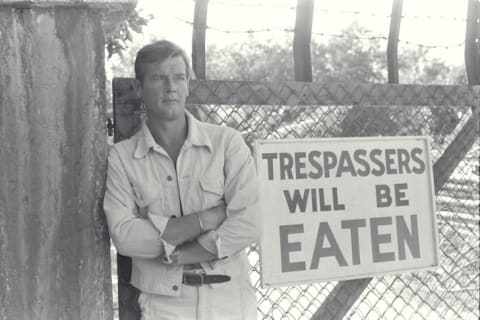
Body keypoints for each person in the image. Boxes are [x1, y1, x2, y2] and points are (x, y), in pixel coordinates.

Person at [103, 40, 260, 320]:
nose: (170, 87)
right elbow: (125, 237)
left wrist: (182, 255)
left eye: (178, 77)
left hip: (230, 299)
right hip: (164, 306)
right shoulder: (122, 157)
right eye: (158, 78)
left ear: (188, 84)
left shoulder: (227, 143)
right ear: (139, 88)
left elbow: (250, 222)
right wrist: (206, 220)